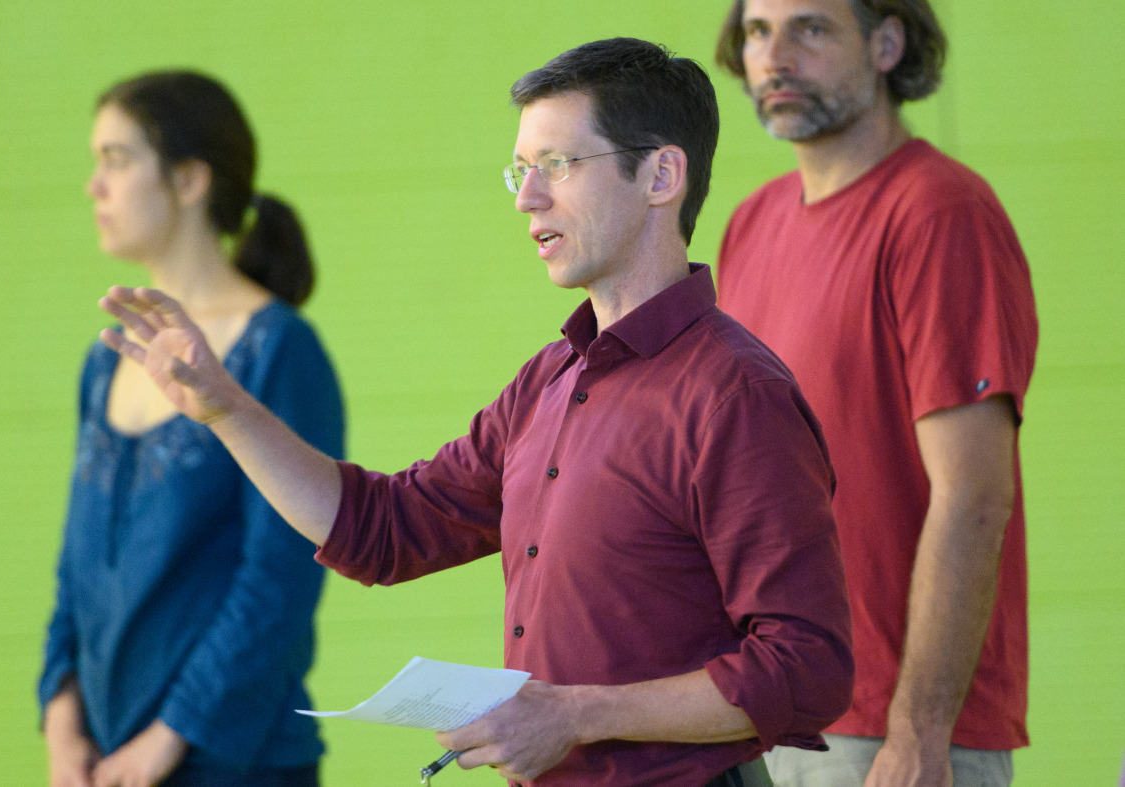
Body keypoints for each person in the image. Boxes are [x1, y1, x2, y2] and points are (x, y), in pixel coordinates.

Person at [97, 39, 854, 787]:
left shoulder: (735, 393)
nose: (527, 198)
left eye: (557, 166)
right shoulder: (548, 379)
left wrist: (573, 715)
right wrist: (225, 408)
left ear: (661, 174)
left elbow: (806, 668)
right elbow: (382, 528)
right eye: (521, 171)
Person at [713, 2, 1038, 785]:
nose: (776, 56)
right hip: (763, 713)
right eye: (758, 31)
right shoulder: (750, 225)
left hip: (893, 737)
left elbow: (975, 494)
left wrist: (920, 731)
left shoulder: (939, 212)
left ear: (888, 43)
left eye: (811, 28)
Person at [39, 71, 345, 787]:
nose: (94, 186)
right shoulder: (104, 356)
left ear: (188, 179)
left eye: (116, 159)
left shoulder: (278, 349)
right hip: (104, 759)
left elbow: (280, 578)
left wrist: (168, 741)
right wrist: (61, 723)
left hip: (232, 762)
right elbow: (76, 564)